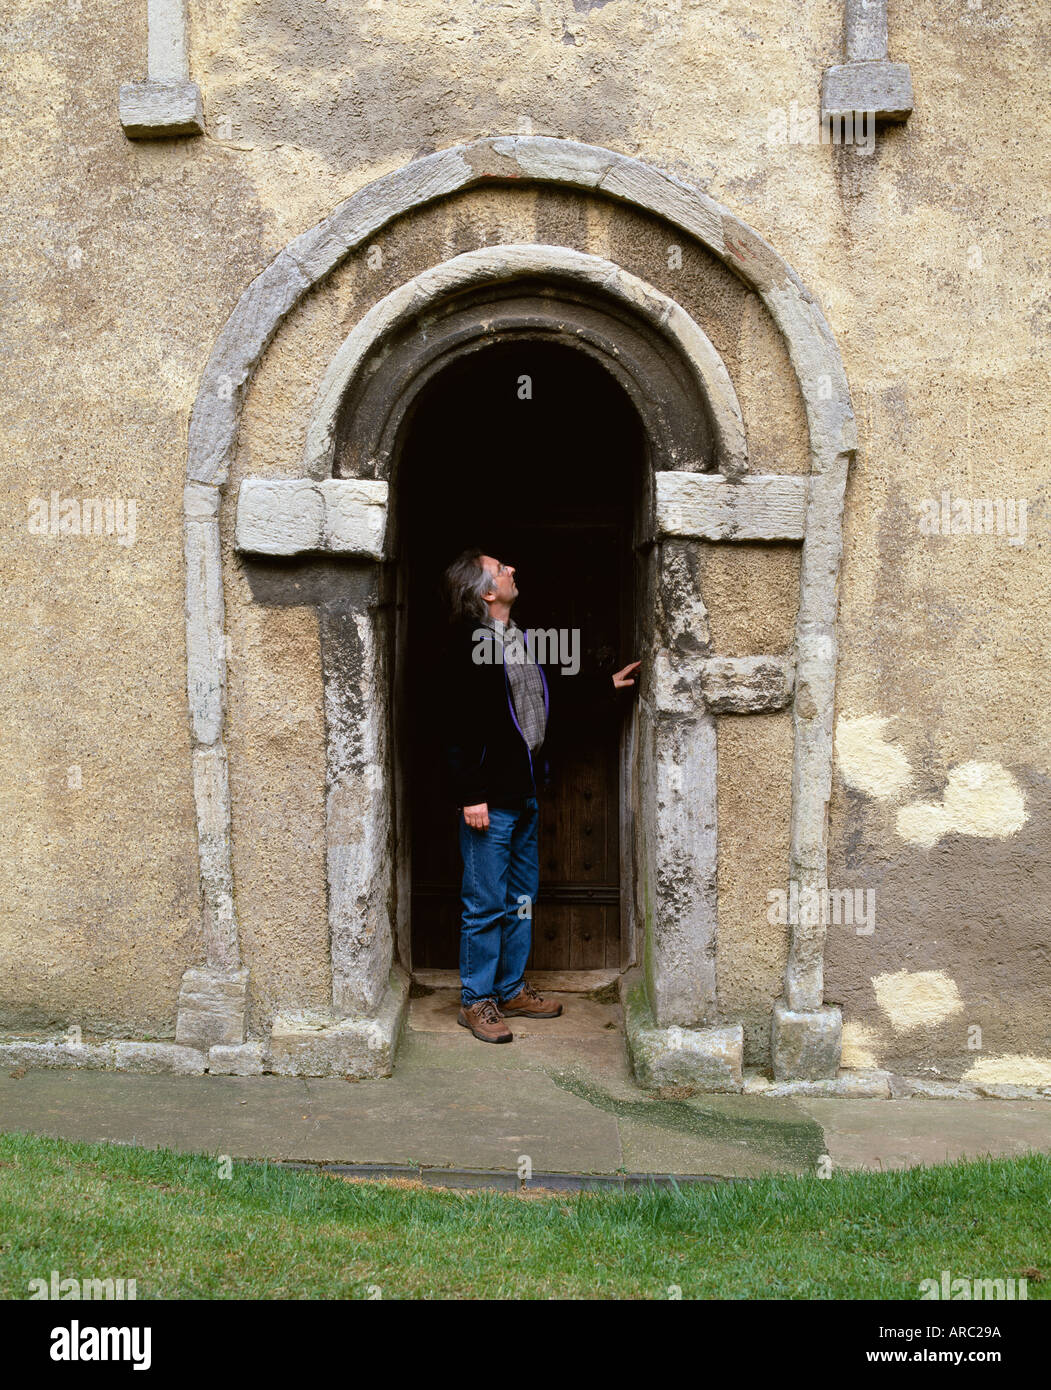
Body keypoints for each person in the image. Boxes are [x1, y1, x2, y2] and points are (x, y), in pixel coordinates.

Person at [441, 548, 640, 1044]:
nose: (513, 570)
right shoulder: (469, 646)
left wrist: (604, 686)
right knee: (485, 904)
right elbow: (456, 724)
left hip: (525, 794)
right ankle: (477, 1000)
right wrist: (471, 793)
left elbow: (544, 703)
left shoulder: (519, 639)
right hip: (490, 801)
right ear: (487, 592)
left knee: (522, 900)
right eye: (502, 569)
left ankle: (509, 989)